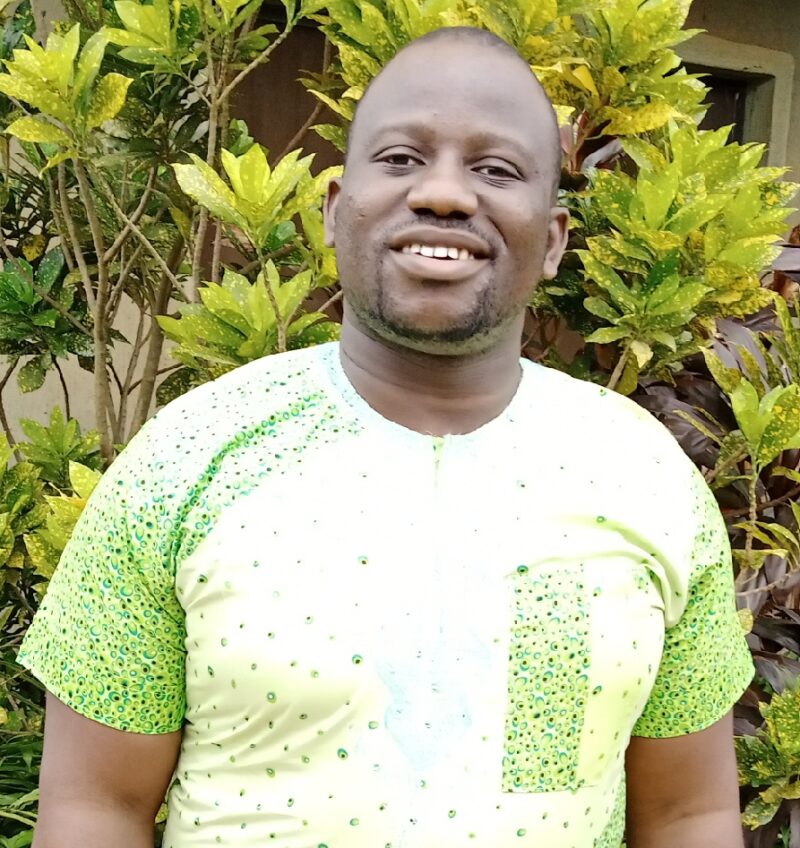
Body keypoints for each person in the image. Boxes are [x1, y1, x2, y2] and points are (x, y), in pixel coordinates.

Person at [19, 26, 753, 848]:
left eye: (496, 169)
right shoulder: (185, 459)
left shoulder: (645, 477)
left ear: (552, 240)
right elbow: (97, 807)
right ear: (336, 211)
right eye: (402, 158)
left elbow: (688, 814)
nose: (443, 194)